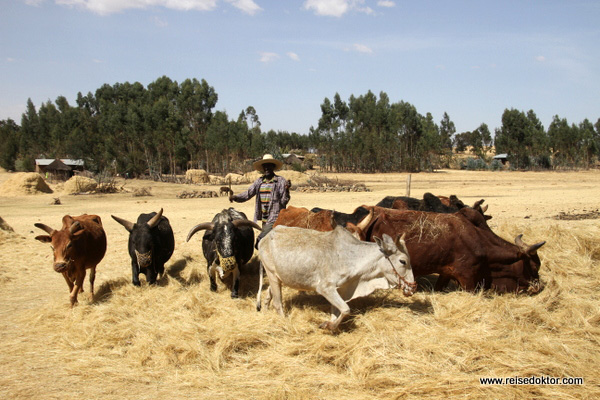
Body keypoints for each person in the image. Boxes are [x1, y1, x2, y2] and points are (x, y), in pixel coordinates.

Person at [229, 154, 291, 248]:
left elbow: (283, 202)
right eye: (264, 166)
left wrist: (286, 190)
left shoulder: (280, 181)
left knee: (260, 241)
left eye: (269, 165)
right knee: (270, 242)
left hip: (276, 217)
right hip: (264, 218)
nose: (266, 168)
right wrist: (235, 197)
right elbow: (248, 193)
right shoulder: (259, 181)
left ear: (273, 167)